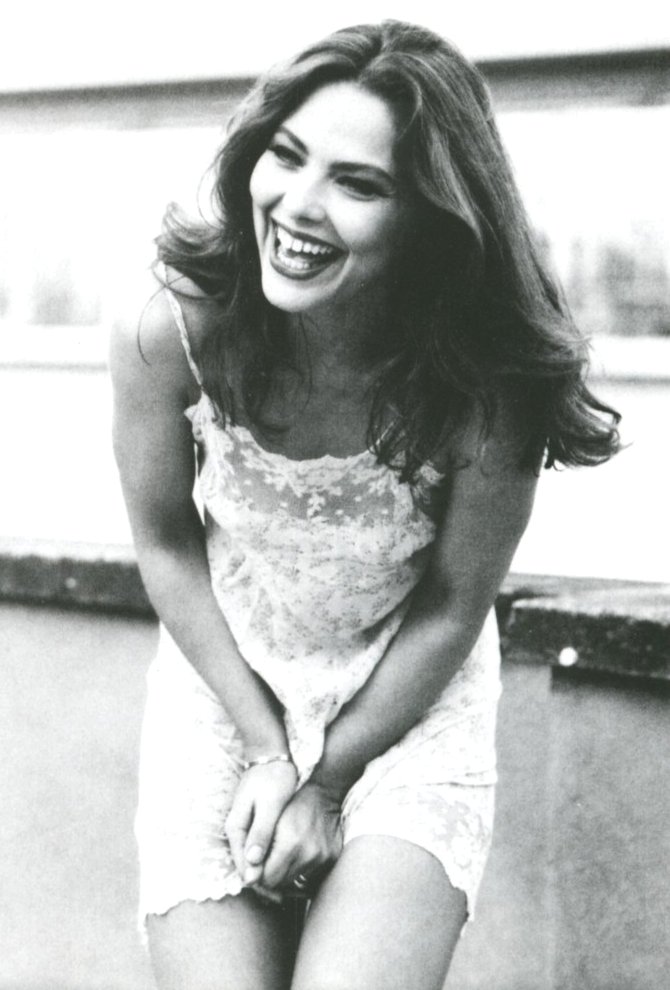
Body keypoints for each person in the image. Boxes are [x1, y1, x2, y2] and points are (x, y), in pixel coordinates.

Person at [110, 19, 620, 990]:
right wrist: (267, 749)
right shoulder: (171, 328)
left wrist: (328, 778)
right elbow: (168, 546)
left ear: (430, 218)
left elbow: (453, 605)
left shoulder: (488, 382)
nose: (297, 205)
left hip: (407, 702)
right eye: (286, 155)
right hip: (227, 689)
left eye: (358, 183)